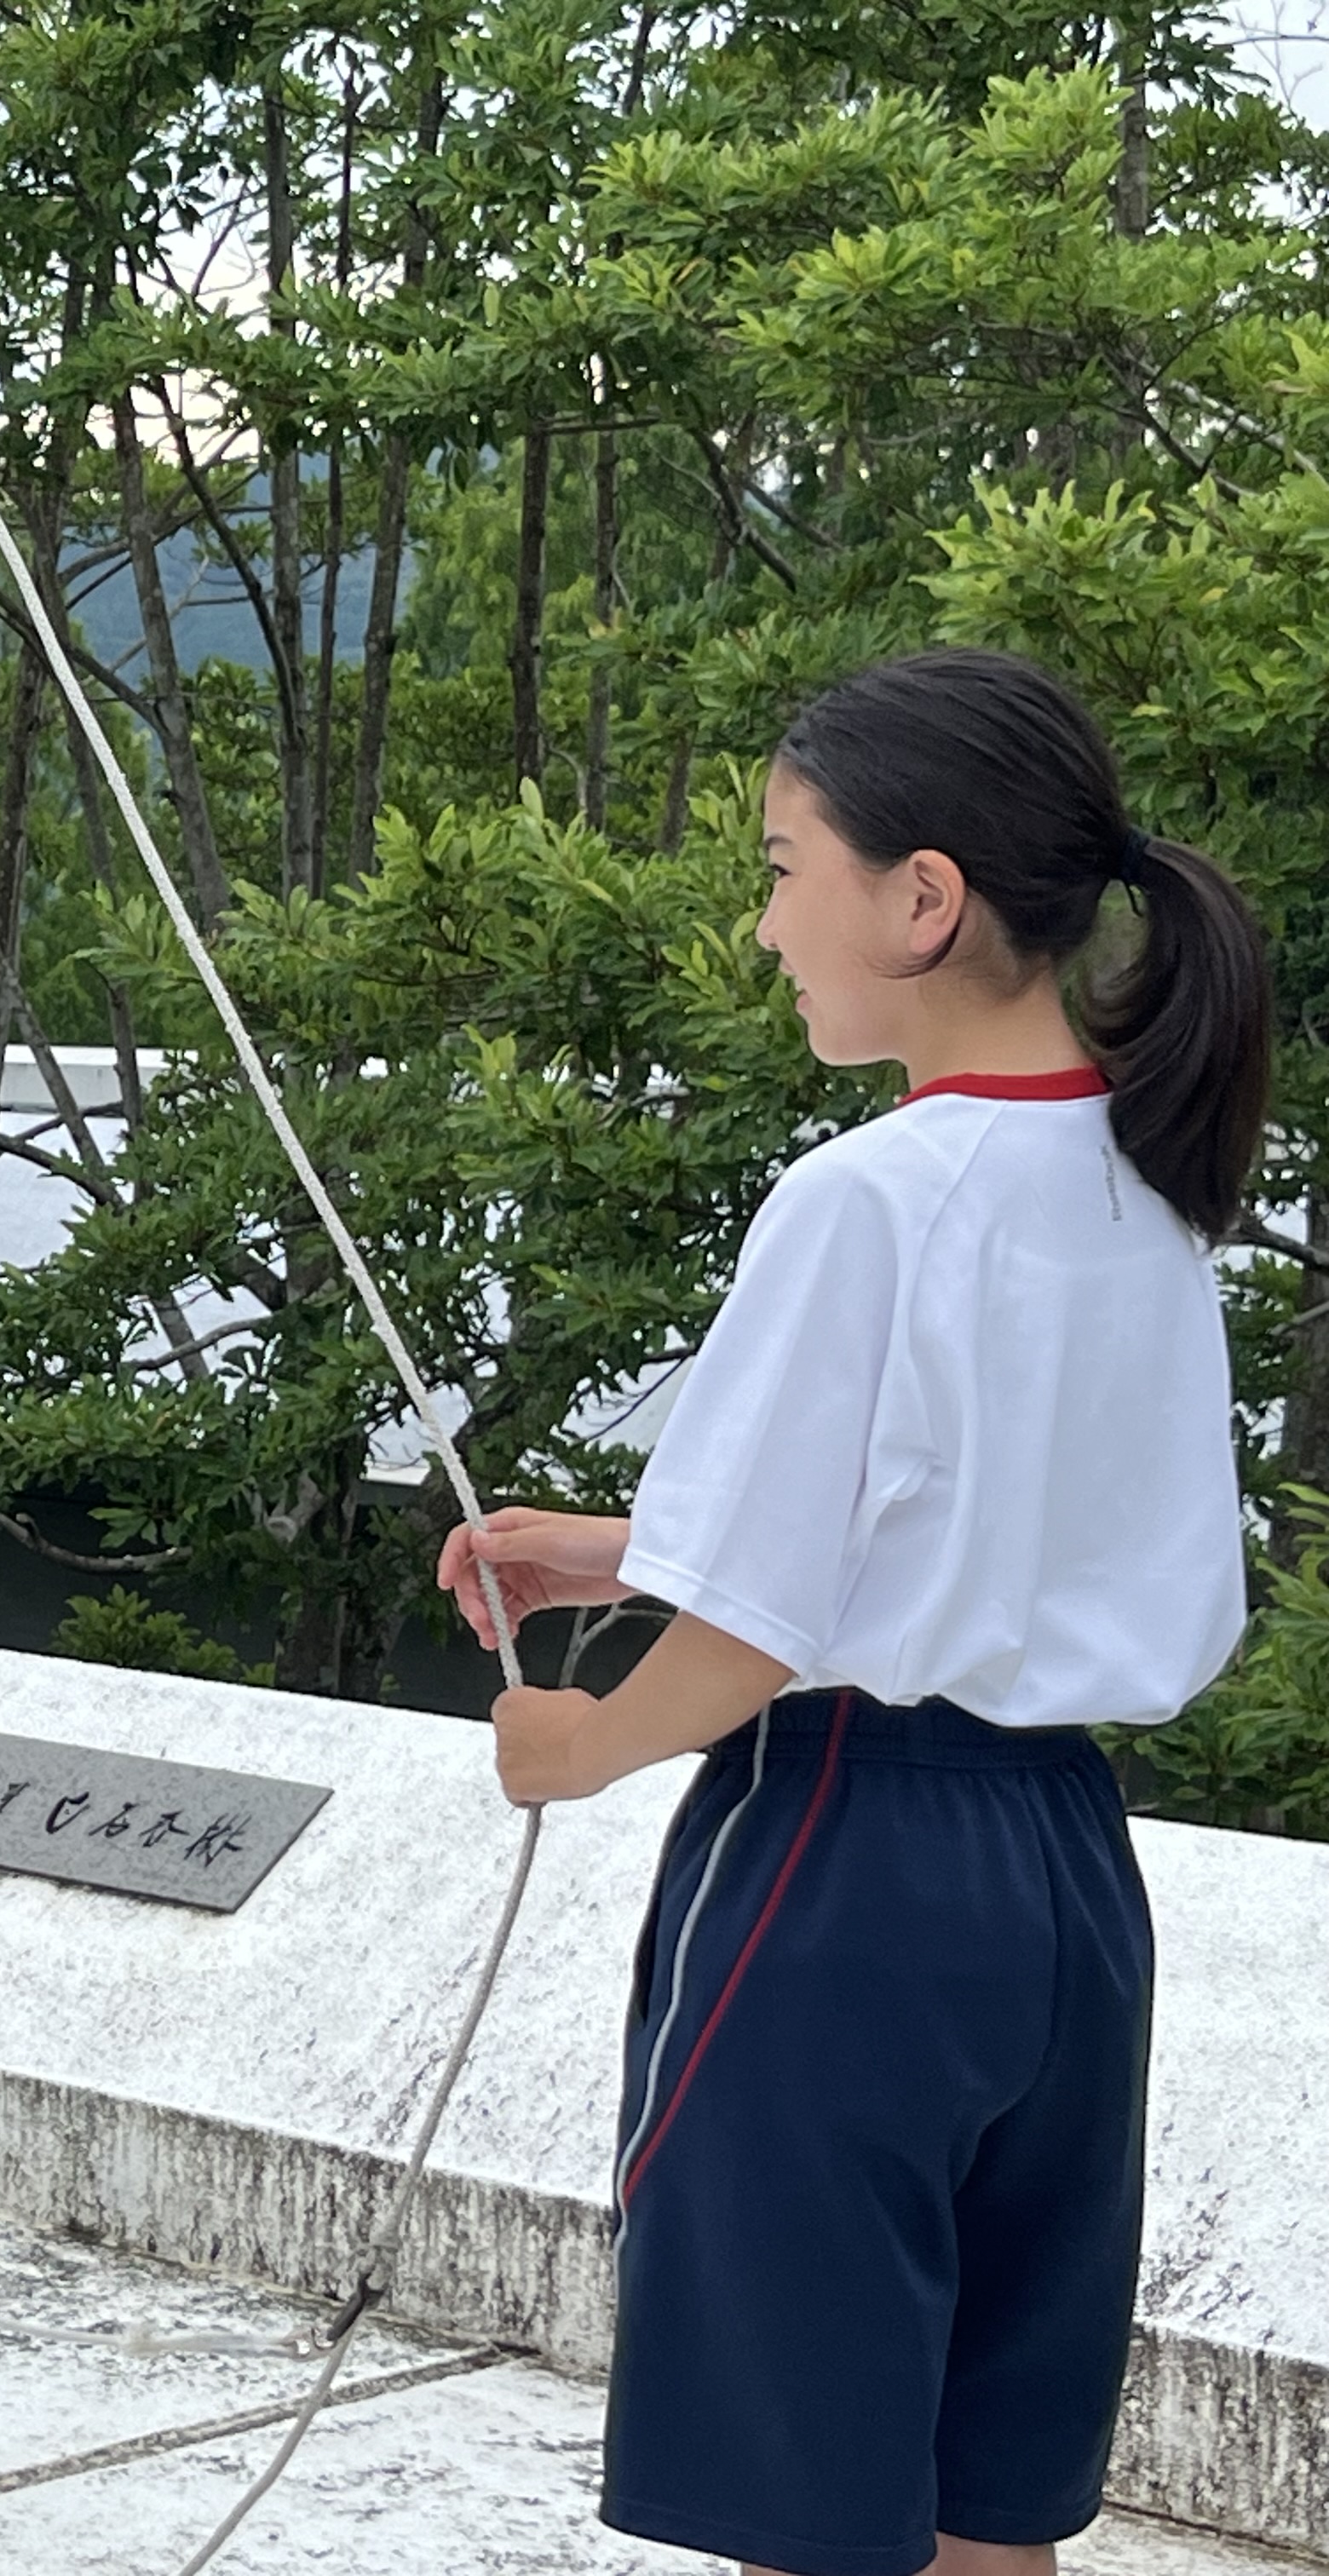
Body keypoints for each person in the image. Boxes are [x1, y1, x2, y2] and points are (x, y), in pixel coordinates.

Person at [440, 647, 1265, 2576]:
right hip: (1065, 1877)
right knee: (994, 2498)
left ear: (923, 899)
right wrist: (623, 1550)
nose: (763, 923)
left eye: (783, 865)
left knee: (813, 2507)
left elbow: (764, 1634)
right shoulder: (1149, 1186)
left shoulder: (868, 1196)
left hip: (841, 1868)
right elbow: (971, 1528)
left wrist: (578, 1742)